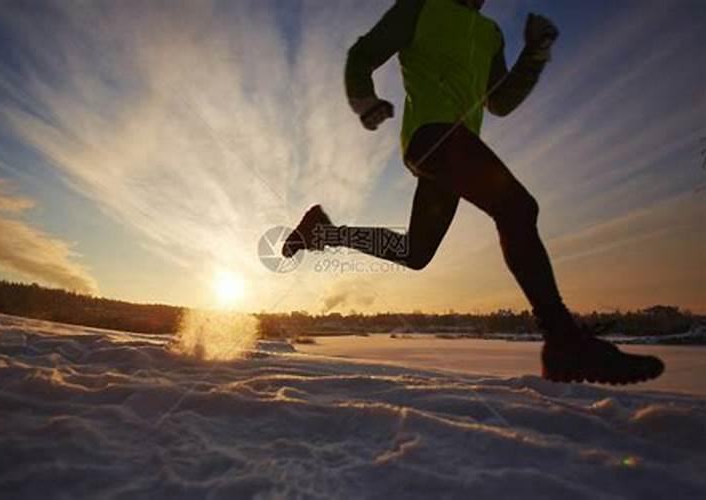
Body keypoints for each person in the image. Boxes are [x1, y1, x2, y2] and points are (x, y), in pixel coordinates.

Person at [282, 0, 664, 385]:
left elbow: (498, 101)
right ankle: (563, 340)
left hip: (456, 149)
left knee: (416, 253)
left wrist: (533, 55)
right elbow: (363, 54)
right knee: (517, 208)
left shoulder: (491, 34)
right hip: (432, 137)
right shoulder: (420, 8)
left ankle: (321, 232)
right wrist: (365, 101)